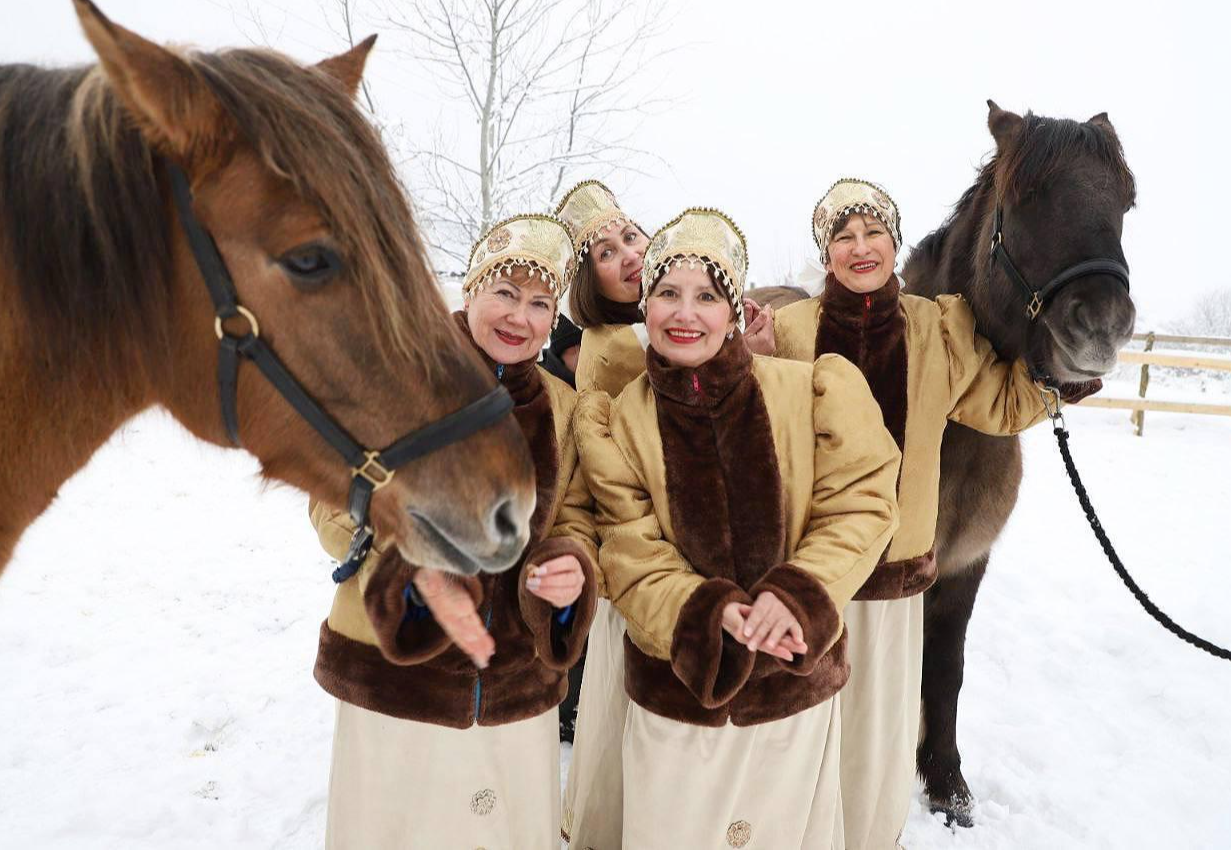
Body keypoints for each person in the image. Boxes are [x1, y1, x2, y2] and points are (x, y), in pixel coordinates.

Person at [762, 178, 1099, 850]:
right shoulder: (788, 330)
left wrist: (1057, 378)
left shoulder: (936, 328)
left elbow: (997, 408)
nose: (859, 248)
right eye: (842, 237)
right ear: (824, 252)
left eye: (872, 234)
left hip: (893, 577)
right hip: (815, 574)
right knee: (798, 735)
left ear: (894, 243)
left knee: (874, 744)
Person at [575, 208, 902, 849]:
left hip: (792, 694)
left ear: (734, 312)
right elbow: (628, 550)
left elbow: (862, 502)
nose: (685, 313)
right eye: (667, 294)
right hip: (678, 697)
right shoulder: (616, 423)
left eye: (706, 296)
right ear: (645, 306)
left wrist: (798, 592)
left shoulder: (813, 390)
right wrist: (707, 614)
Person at [308, 212, 598, 849]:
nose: (519, 316)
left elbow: (574, 512)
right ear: (470, 289)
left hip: (514, 684)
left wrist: (569, 561)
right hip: (397, 672)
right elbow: (333, 501)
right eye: (505, 292)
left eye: (540, 302)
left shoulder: (563, 404)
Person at [554, 179, 649, 846]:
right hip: (641, 545)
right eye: (605, 254)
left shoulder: (661, 316)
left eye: (631, 238)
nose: (627, 255)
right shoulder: (613, 346)